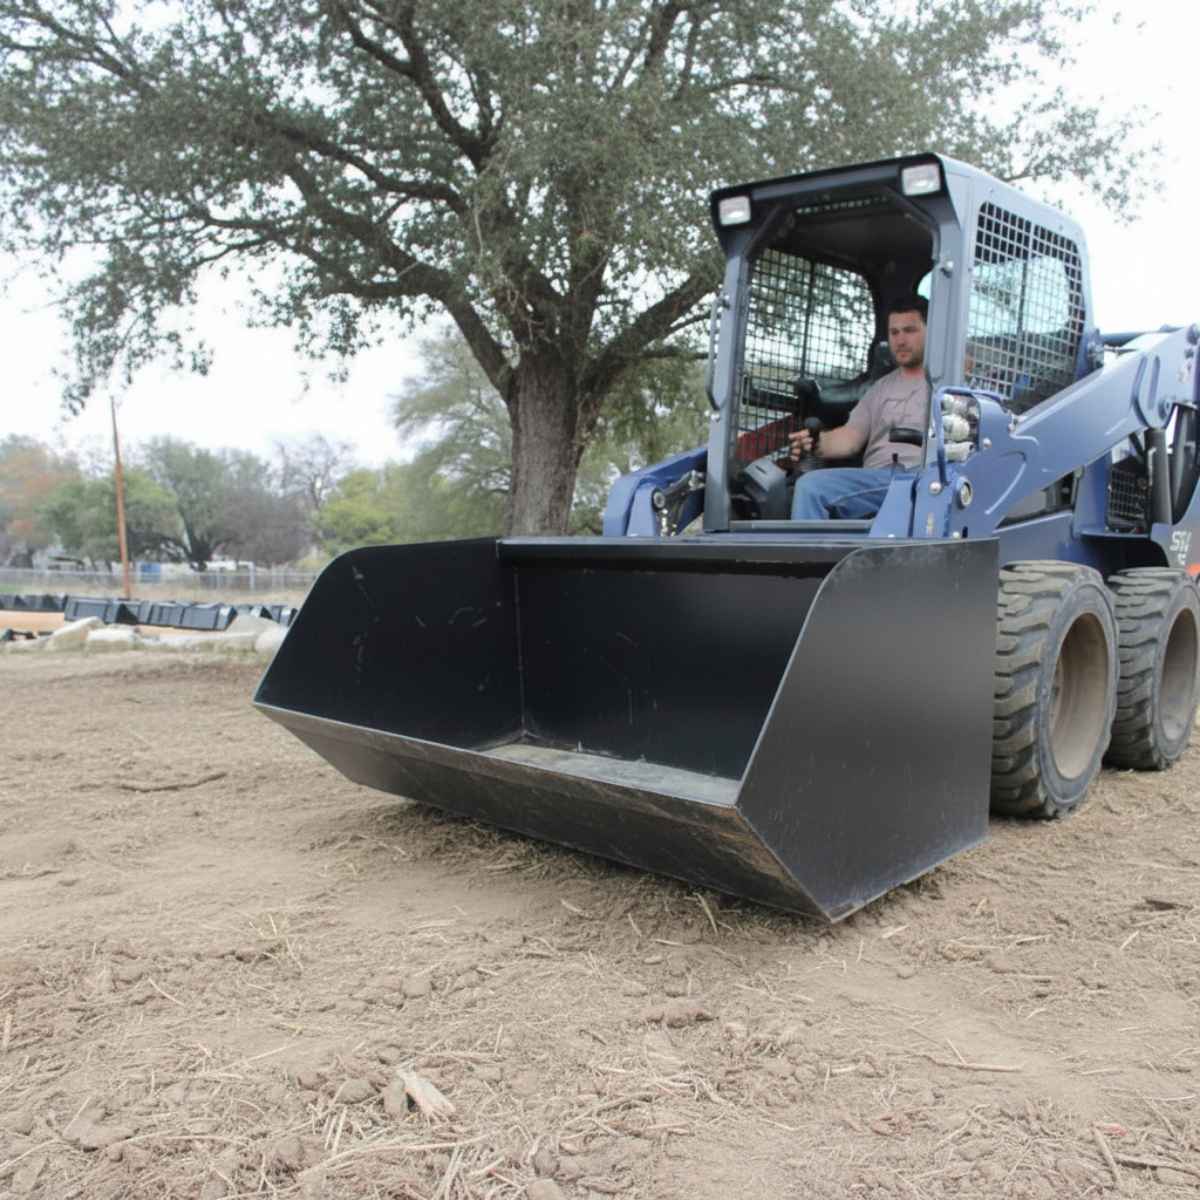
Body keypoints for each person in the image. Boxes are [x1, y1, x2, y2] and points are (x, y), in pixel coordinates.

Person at [788, 296, 929, 520]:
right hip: (876, 480)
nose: (900, 340)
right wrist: (815, 442)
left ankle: (804, 555)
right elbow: (850, 438)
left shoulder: (947, 382)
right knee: (805, 485)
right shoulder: (880, 388)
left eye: (909, 330)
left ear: (930, 331)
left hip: (923, 481)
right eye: (894, 333)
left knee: (813, 488)